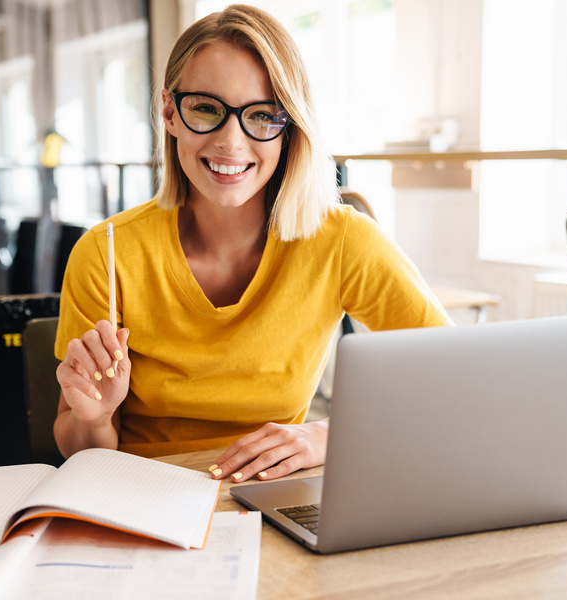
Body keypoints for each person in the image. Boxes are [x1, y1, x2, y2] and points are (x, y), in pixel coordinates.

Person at [54, 4, 449, 483]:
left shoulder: (341, 241)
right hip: (141, 498)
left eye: (262, 116)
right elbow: (80, 450)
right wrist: (93, 418)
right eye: (206, 108)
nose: (231, 141)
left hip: (273, 499)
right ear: (169, 113)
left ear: (290, 128)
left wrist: (327, 435)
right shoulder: (107, 252)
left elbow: (449, 374)